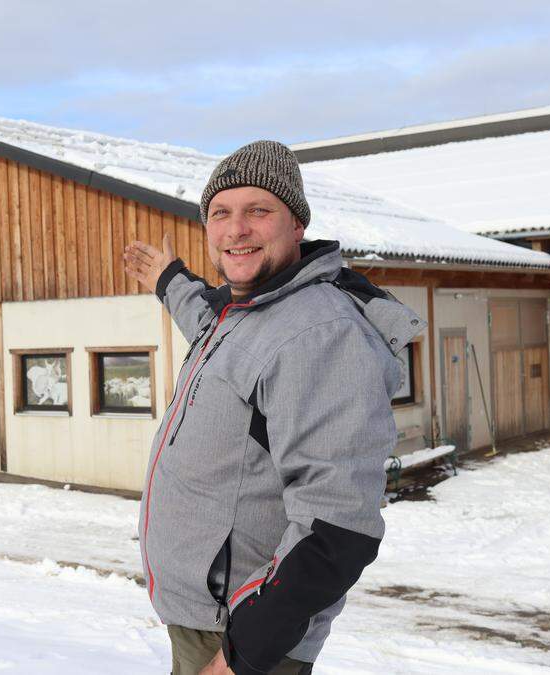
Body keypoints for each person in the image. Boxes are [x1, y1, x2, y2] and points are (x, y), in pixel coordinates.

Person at [122, 141, 424, 674]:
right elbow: (209, 323)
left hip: (243, 633)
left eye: (258, 211)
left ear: (297, 226)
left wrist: (241, 656)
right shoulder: (247, 313)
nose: (236, 229)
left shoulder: (318, 334)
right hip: (209, 619)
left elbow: (339, 527)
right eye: (221, 212)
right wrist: (170, 280)